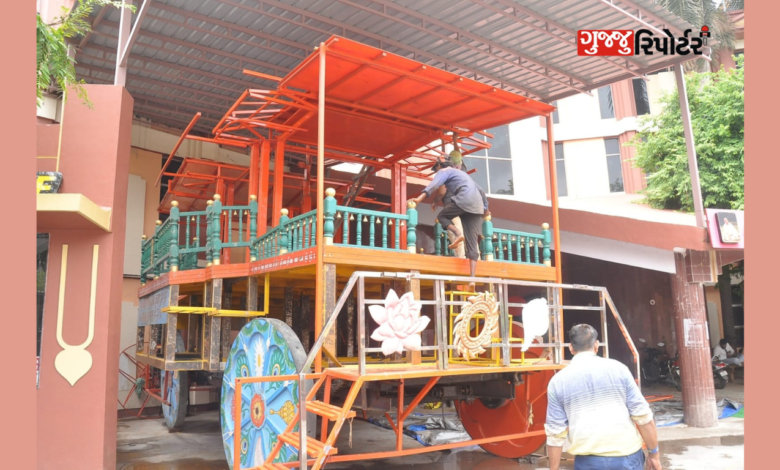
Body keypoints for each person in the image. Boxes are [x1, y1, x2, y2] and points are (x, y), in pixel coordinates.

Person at [546, 324, 662, 470]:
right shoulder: (619, 370)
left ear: (570, 347)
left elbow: (555, 434)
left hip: (587, 463)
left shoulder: (557, 381)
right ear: (596, 345)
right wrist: (654, 455)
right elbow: (644, 418)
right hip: (627, 459)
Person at [408, 160, 489, 281]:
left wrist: (419, 199)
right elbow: (481, 191)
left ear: (439, 166)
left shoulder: (444, 171)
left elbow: (434, 185)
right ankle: (472, 279)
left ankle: (458, 233)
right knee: (472, 243)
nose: (436, 172)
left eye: (435, 169)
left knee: (442, 217)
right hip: (477, 207)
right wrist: (486, 209)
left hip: (463, 200)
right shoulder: (463, 174)